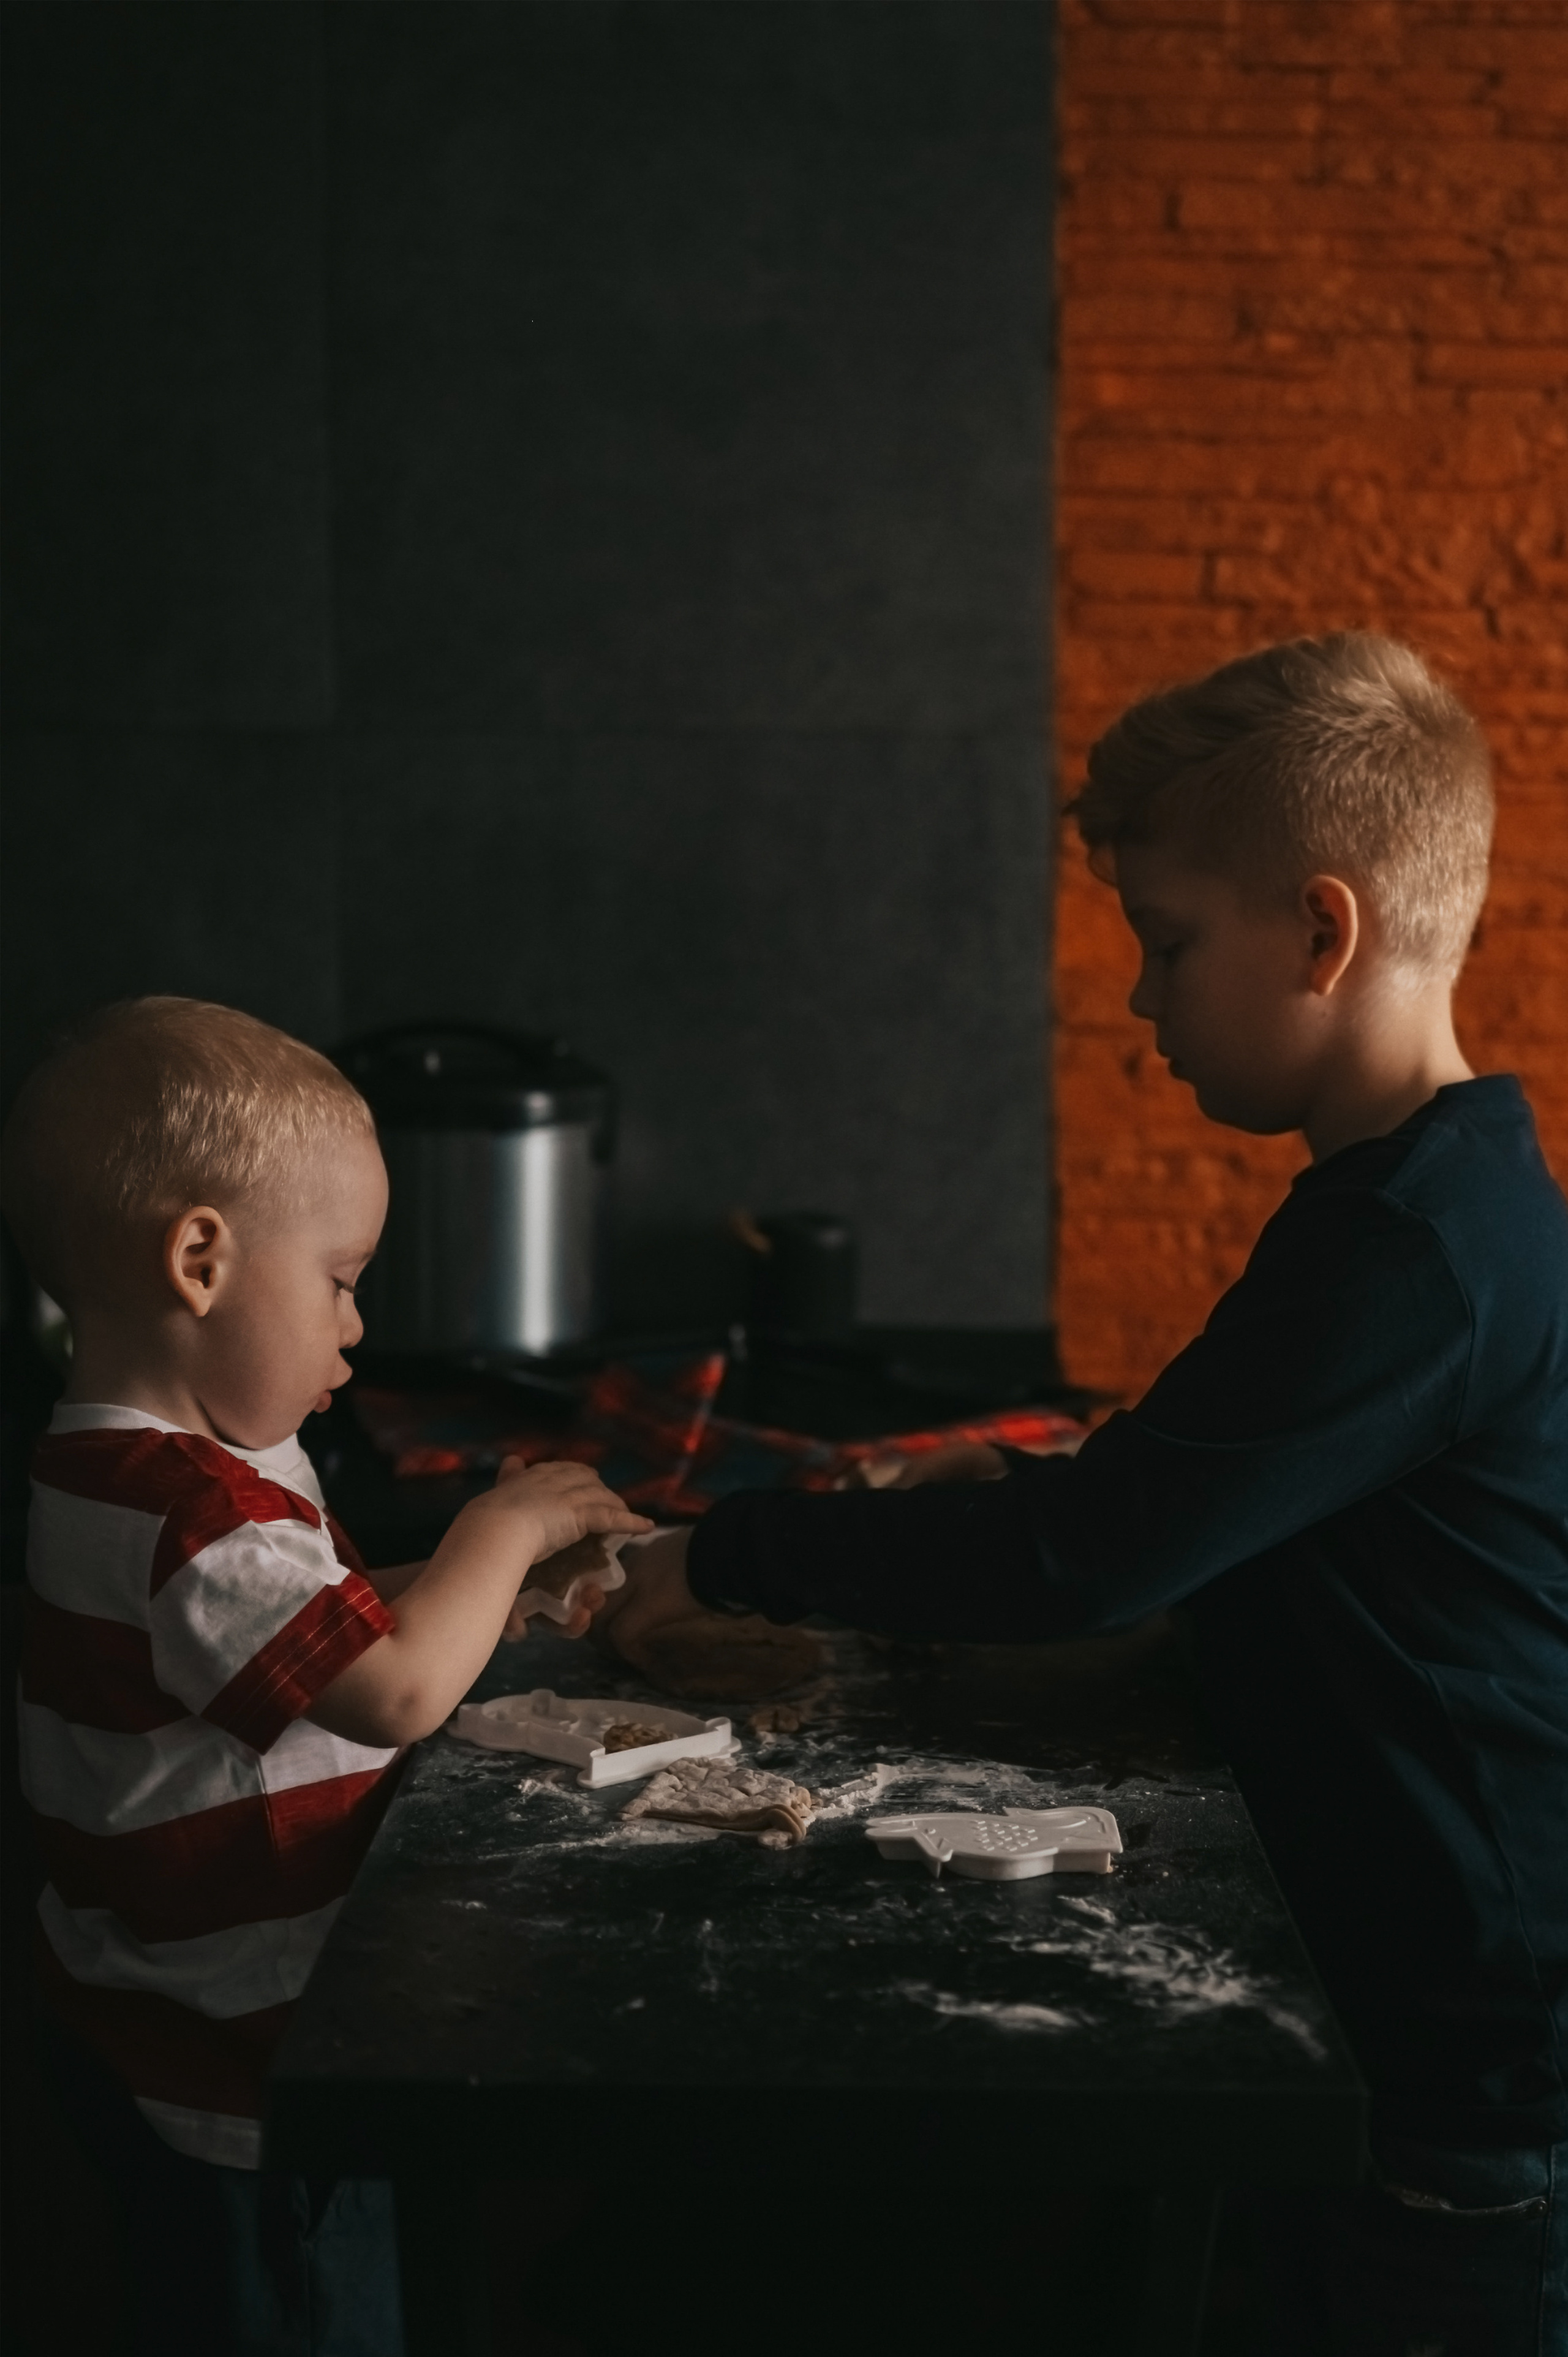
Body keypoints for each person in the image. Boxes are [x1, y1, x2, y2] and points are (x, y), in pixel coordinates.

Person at [601, 634, 1568, 2357]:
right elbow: (1201, 1485)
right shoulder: (1427, 1203)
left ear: (1324, 932)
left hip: (1470, 2060)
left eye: (1170, 942)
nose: (1140, 999)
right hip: (1422, 2001)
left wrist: (726, 1552)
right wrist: (1033, 1480)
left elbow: (1093, 1558)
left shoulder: (1415, 1242)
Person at [1, 997, 651, 2356]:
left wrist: (487, 1595)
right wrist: (504, 1524)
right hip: (242, 2074)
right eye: (343, 1277)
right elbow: (395, 1691)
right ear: (201, 1261)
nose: (356, 1326)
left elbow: (323, 1634)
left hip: (175, 2020)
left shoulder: (127, 1469)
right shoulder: (192, 1515)